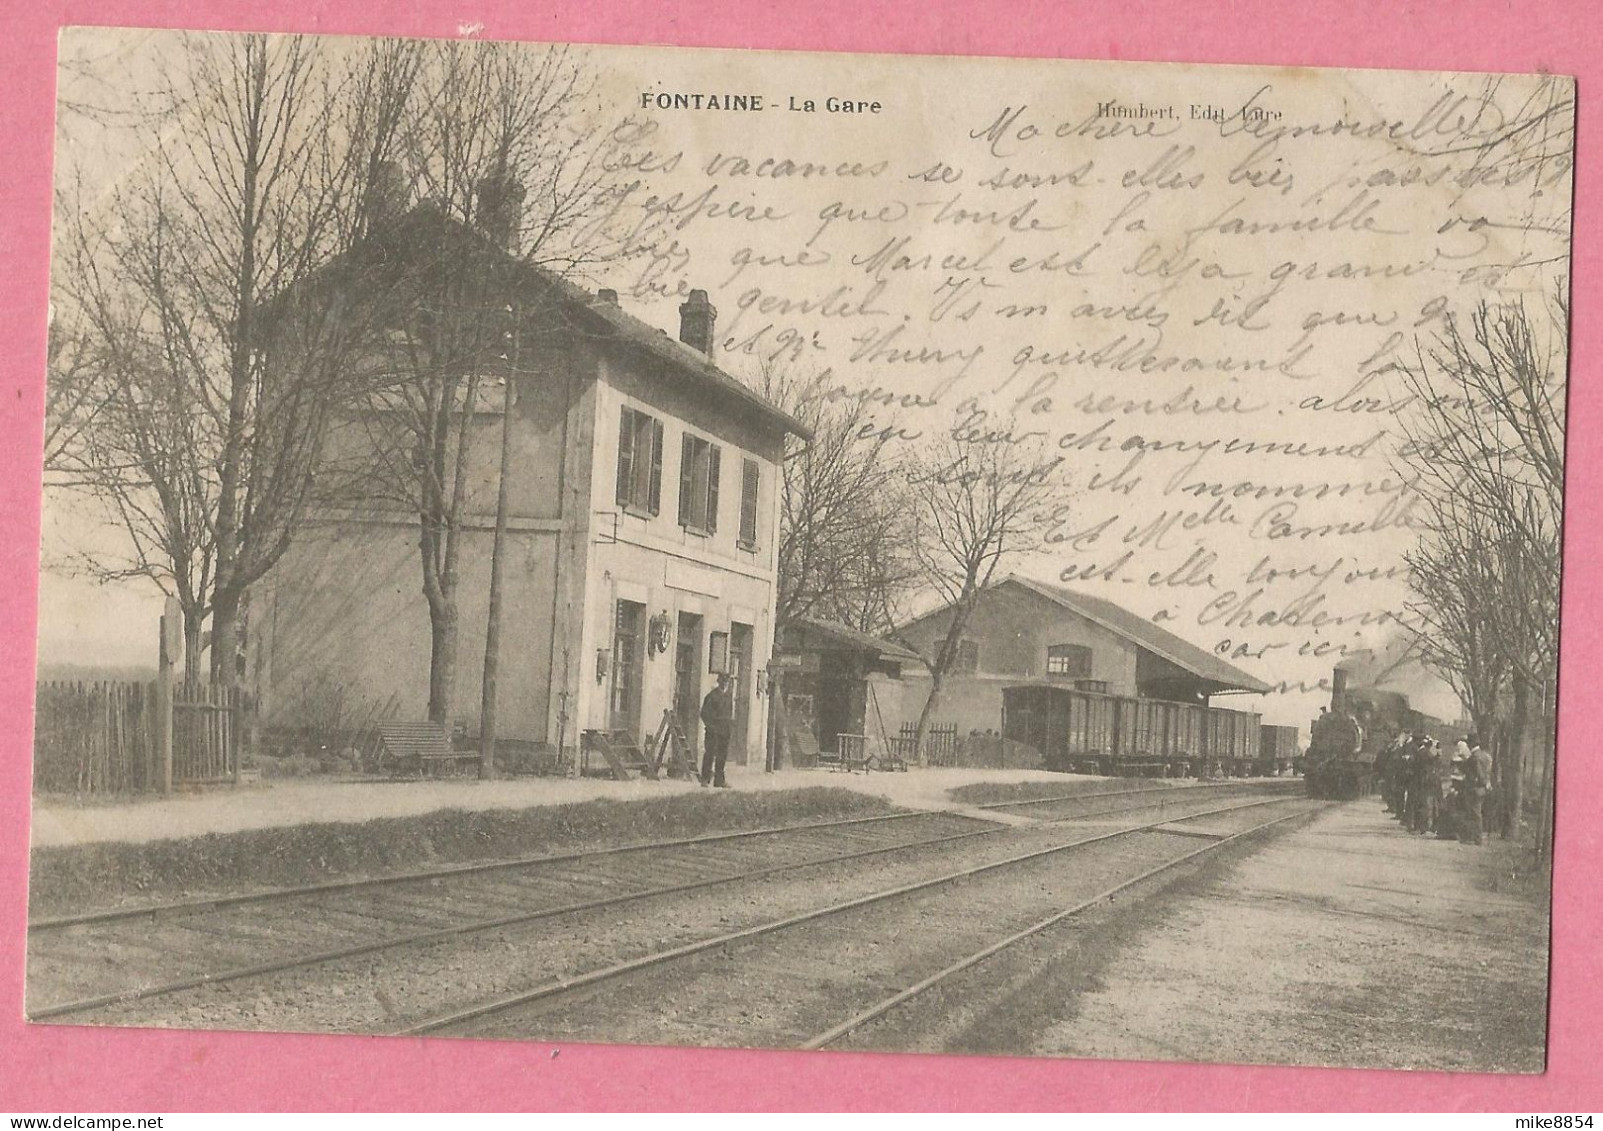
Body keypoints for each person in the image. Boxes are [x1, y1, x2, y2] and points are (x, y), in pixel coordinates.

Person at [699, 674, 734, 788]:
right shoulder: (712, 696)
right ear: (719, 682)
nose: (725, 684)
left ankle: (719, 781)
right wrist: (711, 727)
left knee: (722, 757)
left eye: (727, 682)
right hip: (713, 731)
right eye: (723, 682)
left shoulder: (728, 697)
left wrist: (729, 728)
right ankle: (705, 779)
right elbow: (704, 713)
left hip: (724, 731)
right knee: (710, 754)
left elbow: (729, 714)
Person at [1461, 735, 1493, 845]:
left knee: (1474, 813)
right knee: (1477, 812)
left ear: (1471, 744)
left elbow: (1479, 773)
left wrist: (1483, 782)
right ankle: (1475, 837)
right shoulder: (1485, 755)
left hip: (1474, 788)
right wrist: (1487, 784)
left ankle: (1476, 838)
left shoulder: (1474, 757)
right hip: (1482, 789)